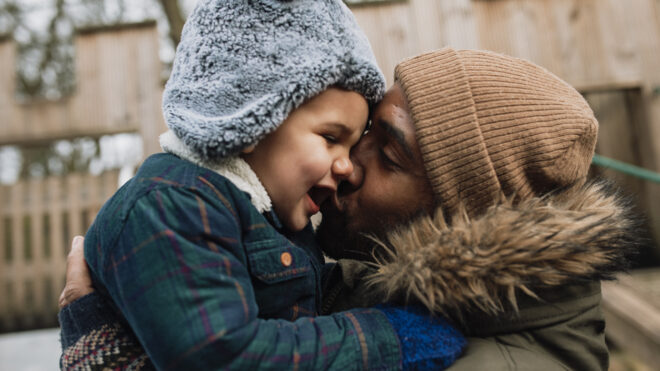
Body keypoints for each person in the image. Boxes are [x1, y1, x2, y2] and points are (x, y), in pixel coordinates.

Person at [60, 47, 642, 370]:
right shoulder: (378, 283)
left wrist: (102, 354)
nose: (345, 164)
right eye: (354, 134)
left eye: (387, 152)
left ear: (470, 217)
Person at [56, 0, 465, 370]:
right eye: (330, 137)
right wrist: (392, 337)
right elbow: (227, 356)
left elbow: (307, 300)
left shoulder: (259, 212)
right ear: (251, 119)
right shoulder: (169, 206)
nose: (346, 165)